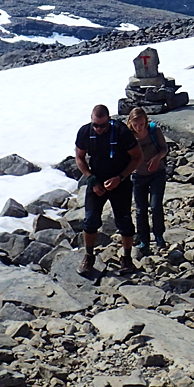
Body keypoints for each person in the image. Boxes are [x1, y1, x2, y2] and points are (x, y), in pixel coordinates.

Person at [74, 104, 143, 276]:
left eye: (103, 126)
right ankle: (89, 256)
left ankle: (126, 257)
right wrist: (91, 179)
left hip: (120, 182)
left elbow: (137, 157)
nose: (98, 129)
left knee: (124, 222)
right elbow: (79, 157)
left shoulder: (121, 132)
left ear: (109, 121)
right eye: (95, 125)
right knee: (90, 221)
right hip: (96, 181)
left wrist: (120, 177)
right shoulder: (85, 132)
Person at [126, 107, 168, 256]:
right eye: (136, 125)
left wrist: (157, 158)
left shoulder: (153, 130)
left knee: (156, 206)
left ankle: (159, 236)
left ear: (146, 121)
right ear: (130, 123)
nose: (139, 127)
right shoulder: (128, 136)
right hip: (138, 176)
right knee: (140, 209)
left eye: (142, 124)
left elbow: (164, 148)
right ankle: (144, 239)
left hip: (157, 173)